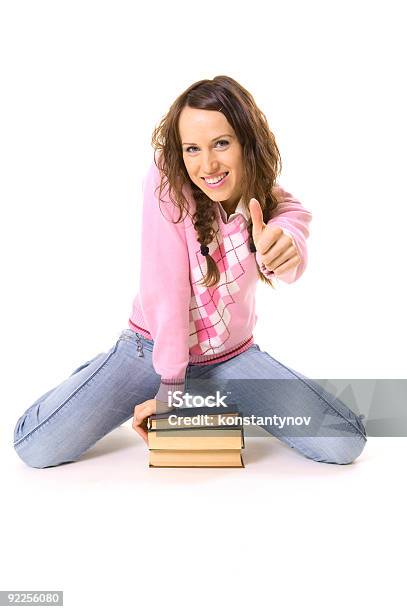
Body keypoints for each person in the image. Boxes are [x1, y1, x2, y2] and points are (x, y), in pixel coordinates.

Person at [13, 75, 367, 469]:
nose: (207, 164)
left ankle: (204, 392)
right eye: (192, 149)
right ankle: (101, 377)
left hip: (230, 358)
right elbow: (165, 291)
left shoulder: (264, 198)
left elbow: (291, 218)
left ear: (246, 141)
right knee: (35, 446)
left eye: (221, 143)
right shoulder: (167, 184)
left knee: (343, 442)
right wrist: (170, 387)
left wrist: (287, 243)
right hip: (151, 352)